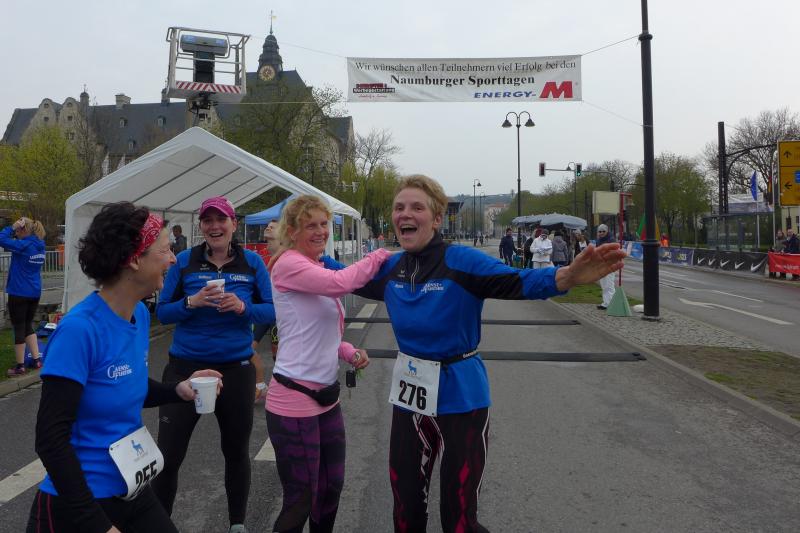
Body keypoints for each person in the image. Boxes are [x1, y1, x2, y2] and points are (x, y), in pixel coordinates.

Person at [355, 175, 625, 533]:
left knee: (458, 513)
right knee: (405, 507)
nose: (405, 214)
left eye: (417, 207)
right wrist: (295, 257)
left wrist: (565, 277)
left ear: (436, 219)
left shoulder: (461, 260)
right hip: (410, 397)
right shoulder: (390, 268)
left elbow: (517, 281)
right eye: (399, 207)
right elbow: (338, 278)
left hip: (461, 396)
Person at [26, 202, 222, 533]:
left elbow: (126, 384)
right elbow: (50, 438)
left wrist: (178, 389)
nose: (173, 259)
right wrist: (97, 524)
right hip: (77, 504)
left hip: (131, 489)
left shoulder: (139, 315)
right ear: (134, 259)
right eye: (165, 250)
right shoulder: (80, 330)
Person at [265, 195, 389, 532]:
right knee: (301, 498)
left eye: (325, 224)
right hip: (294, 398)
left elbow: (311, 331)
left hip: (326, 398)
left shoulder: (315, 265)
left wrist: (347, 351)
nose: (321, 231)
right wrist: (380, 255)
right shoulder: (289, 263)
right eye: (311, 225)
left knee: (330, 489)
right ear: (292, 230)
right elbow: (342, 283)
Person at [153, 196, 275, 533]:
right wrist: (192, 302)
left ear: (234, 224)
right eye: (208, 220)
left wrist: (243, 308)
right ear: (201, 226)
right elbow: (163, 311)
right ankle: (159, 525)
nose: (214, 226)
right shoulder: (184, 261)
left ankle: (237, 524)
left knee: (235, 451)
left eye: (221, 220)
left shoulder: (252, 262)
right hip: (185, 369)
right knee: (168, 456)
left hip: (235, 370)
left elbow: (272, 309)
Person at [0, 216, 46, 376]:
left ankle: (20, 366)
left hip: (19, 292)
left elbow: (1, 239)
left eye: (18, 231)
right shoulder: (40, 245)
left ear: (23, 230)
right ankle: (36, 360)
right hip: (34, 292)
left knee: (19, 327)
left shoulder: (23, 245)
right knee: (27, 325)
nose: (16, 234)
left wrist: (12, 227)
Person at [251, 218, 281, 404]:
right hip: (265, 312)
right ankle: (261, 385)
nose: (267, 228)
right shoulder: (263, 258)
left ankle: (281, 392)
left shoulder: (290, 259)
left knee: (280, 357)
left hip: (280, 316)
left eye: (273, 227)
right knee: (245, 348)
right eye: (267, 226)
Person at [595, 224, 617, 309]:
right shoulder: (598, 240)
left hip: (609, 265)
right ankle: (606, 303)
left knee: (609, 284)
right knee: (603, 285)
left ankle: (612, 304)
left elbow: (613, 253)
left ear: (607, 231)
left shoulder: (611, 240)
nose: (601, 233)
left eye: (603, 231)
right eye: (600, 231)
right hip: (601, 265)